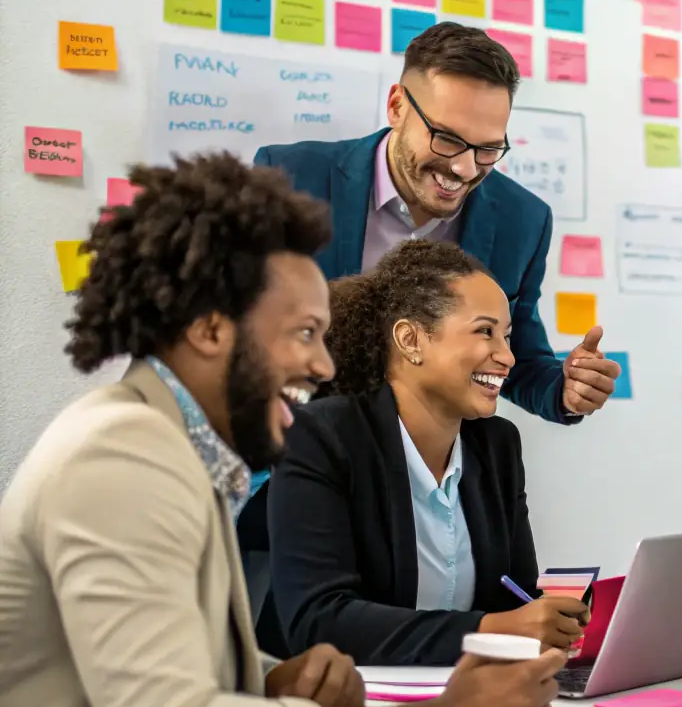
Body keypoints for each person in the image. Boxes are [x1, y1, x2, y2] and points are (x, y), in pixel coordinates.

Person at [0, 154, 563, 707]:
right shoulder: (123, 453)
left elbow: (154, 673)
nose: (324, 366)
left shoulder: (167, 446)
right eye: (302, 335)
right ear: (211, 330)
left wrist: (269, 679)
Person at [254, 22, 619, 426]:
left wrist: (564, 391)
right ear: (397, 107)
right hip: (295, 447)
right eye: (446, 138)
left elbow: (520, 359)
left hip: (430, 468)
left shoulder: (524, 220)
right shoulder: (288, 178)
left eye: (488, 149)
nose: (464, 168)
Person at [267, 240, 589, 666]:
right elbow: (318, 621)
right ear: (410, 340)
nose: (508, 357)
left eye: (507, 336)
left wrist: (557, 621)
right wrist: (488, 631)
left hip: (465, 696)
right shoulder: (320, 438)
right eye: (485, 331)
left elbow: (516, 598)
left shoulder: (497, 446)